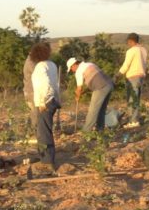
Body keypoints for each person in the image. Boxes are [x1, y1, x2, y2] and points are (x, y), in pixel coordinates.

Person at [31, 43, 60, 175]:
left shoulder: (40, 67)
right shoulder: (52, 65)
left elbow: (46, 84)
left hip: (45, 102)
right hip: (53, 100)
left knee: (43, 133)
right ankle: (46, 158)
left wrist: (43, 101)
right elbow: (55, 84)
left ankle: (48, 161)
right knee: (46, 130)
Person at [67, 57, 113, 132]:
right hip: (109, 85)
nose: (72, 71)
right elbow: (95, 81)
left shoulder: (78, 71)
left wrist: (77, 96)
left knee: (92, 111)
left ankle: (86, 131)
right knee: (101, 110)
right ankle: (100, 130)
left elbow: (79, 88)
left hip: (100, 88)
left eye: (71, 69)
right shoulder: (90, 64)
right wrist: (83, 92)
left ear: (74, 65)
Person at [117, 32, 148, 128]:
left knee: (132, 99)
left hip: (132, 77)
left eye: (128, 42)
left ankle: (133, 121)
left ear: (131, 41)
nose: (128, 44)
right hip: (141, 76)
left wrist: (117, 75)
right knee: (136, 99)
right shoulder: (143, 50)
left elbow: (126, 65)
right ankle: (134, 120)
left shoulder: (131, 51)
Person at [22, 50, 37, 142]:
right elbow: (39, 72)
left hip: (32, 91)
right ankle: (34, 134)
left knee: (34, 113)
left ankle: (33, 132)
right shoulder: (31, 63)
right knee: (35, 113)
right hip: (31, 91)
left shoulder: (32, 61)